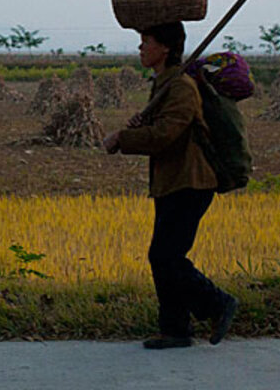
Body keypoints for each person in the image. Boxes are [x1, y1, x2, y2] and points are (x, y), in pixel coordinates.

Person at [102, 21, 238, 349]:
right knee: (163, 256)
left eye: (146, 41)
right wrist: (139, 127)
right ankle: (175, 329)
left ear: (164, 48)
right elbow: (160, 128)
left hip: (191, 182)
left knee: (166, 255)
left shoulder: (181, 87)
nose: (141, 48)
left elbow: (165, 135)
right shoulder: (165, 84)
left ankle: (218, 303)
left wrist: (123, 138)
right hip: (172, 182)